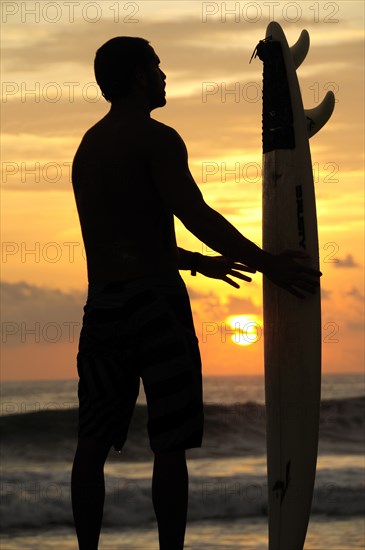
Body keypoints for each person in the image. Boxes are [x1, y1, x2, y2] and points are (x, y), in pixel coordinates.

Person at [70, 36, 321, 550]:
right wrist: (269, 263)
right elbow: (197, 215)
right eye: (157, 67)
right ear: (140, 76)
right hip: (155, 308)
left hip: (104, 310)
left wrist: (196, 263)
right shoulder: (157, 139)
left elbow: (121, 239)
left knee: (91, 443)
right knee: (170, 441)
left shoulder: (88, 149)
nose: (164, 76)